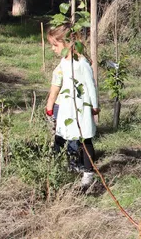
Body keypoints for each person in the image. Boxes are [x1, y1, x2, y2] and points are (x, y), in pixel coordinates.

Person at [44, 23, 99, 188]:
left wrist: (94, 106)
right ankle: (74, 164)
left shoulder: (81, 63)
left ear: (67, 42)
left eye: (55, 44)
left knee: (85, 138)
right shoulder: (64, 62)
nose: (53, 48)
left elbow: (91, 85)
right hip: (68, 106)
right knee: (68, 134)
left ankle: (88, 172)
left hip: (81, 107)